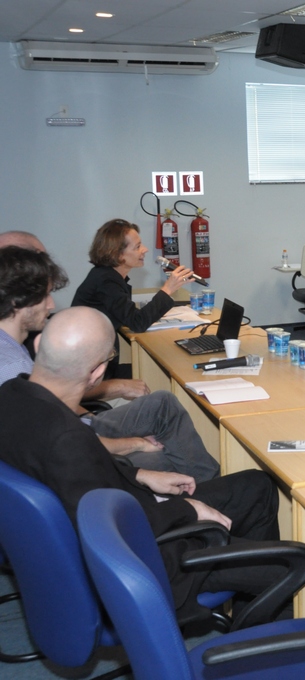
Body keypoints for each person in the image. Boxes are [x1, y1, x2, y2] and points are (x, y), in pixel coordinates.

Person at [0, 307, 289, 623]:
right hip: (150, 560)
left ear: (39, 344)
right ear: (97, 372)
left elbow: (84, 481)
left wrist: (139, 473)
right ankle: (255, 633)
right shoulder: (67, 440)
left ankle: (243, 596)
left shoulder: (11, 395)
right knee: (286, 564)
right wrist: (187, 509)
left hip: (127, 513)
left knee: (257, 486)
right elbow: (113, 527)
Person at [0, 243, 219, 482]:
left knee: (163, 403)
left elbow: (56, 408)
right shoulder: (11, 367)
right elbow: (63, 444)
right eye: (45, 296)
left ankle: (209, 482)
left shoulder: (12, 346)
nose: (52, 305)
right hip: (82, 453)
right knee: (169, 457)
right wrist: (135, 443)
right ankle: (209, 488)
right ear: (17, 301)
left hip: (78, 427)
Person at [71, 219, 195, 377]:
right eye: (137, 247)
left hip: (98, 363)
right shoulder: (106, 281)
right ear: (117, 254)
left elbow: (128, 316)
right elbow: (137, 323)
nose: (145, 250)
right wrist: (168, 289)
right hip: (91, 373)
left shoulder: (107, 276)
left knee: (158, 369)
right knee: (162, 372)